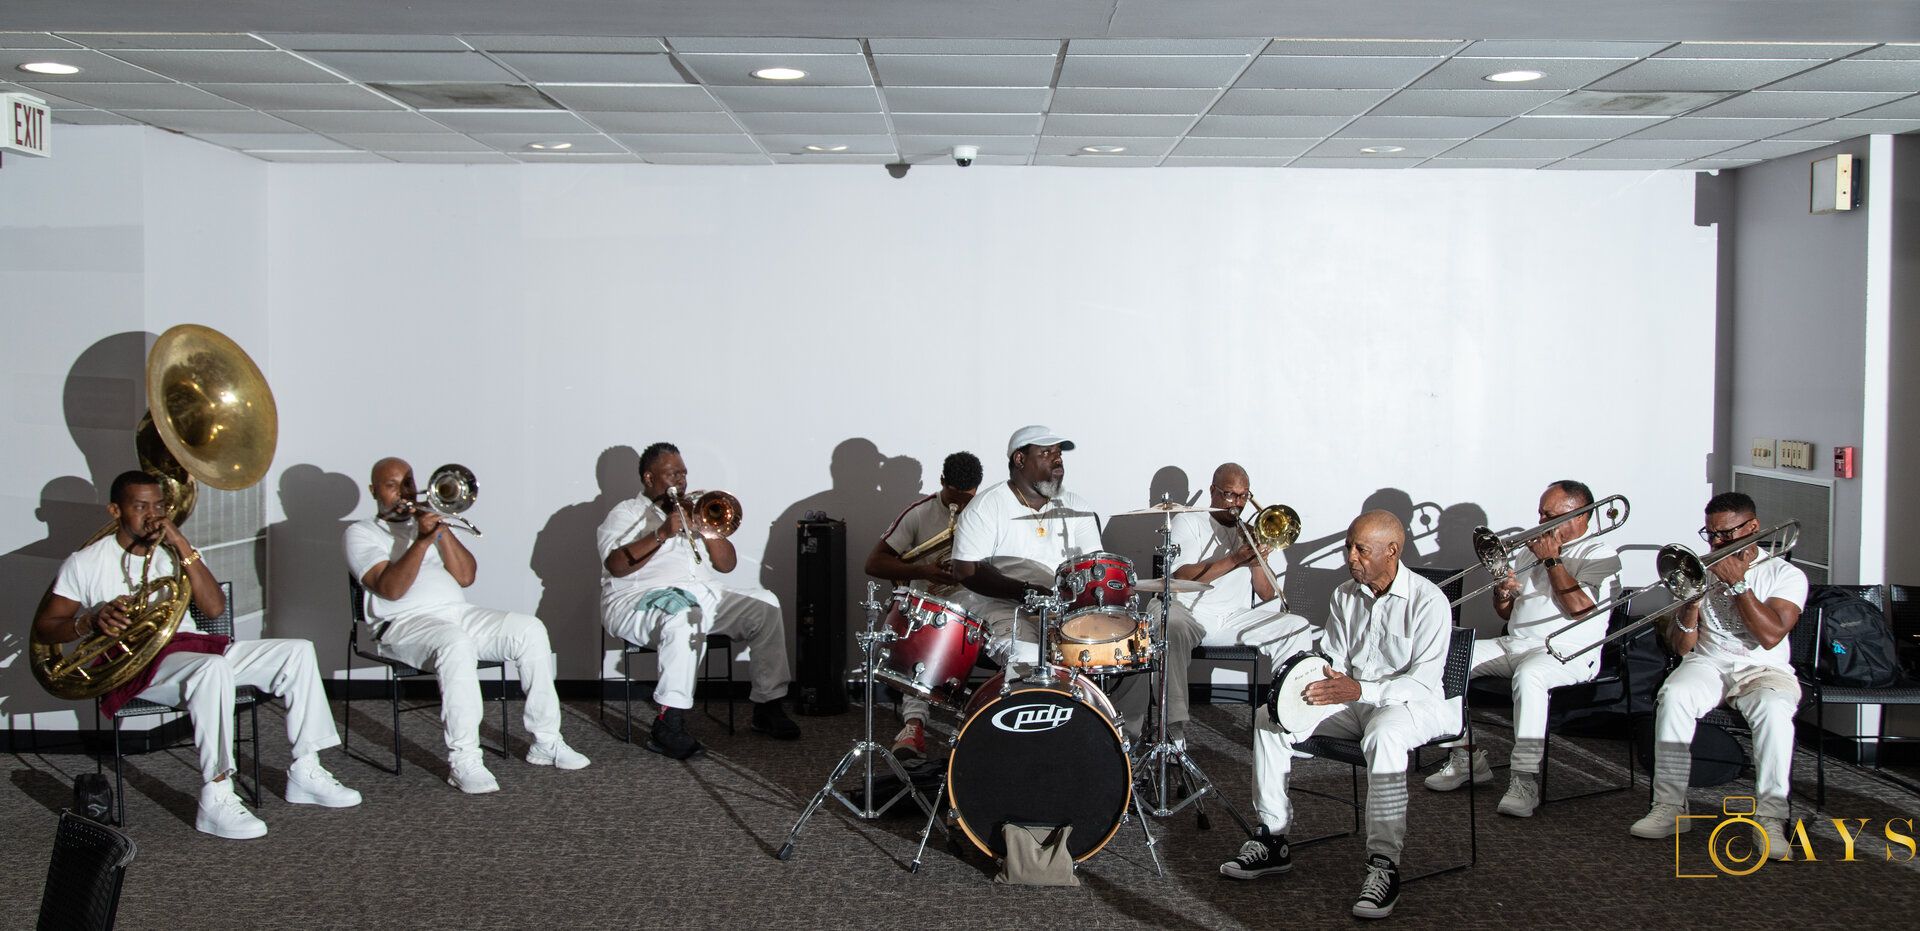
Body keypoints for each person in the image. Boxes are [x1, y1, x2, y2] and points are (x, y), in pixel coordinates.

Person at [35, 470, 361, 839]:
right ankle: (217, 795)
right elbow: (48, 625)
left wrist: (181, 543)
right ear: (115, 510)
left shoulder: (174, 552)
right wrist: (90, 621)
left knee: (297, 651)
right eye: (140, 506)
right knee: (213, 669)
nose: (152, 514)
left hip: (193, 649)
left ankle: (306, 769)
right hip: (138, 664)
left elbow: (214, 607)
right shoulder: (86, 562)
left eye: (158, 505)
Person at [1219, 510, 1454, 921]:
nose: (1351, 557)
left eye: (1361, 549)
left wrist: (1358, 689)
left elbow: (1421, 683)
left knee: (1384, 736)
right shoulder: (1346, 593)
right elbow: (1336, 660)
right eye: (1349, 546)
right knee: (1268, 717)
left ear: (1392, 551)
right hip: (1355, 698)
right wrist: (1305, 684)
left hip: (1415, 706)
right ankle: (1274, 839)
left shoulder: (1429, 601)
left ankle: (1384, 864)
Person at [346, 457, 588, 794]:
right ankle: (464, 760)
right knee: (455, 643)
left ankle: (546, 741)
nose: (403, 492)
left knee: (529, 629)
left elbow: (465, 576)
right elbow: (391, 589)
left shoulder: (425, 525)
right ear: (373, 490)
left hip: (456, 614)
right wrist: (421, 542)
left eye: (408, 483)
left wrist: (439, 531)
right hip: (401, 625)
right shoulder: (360, 533)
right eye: (391, 485)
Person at [1424, 480, 1621, 817]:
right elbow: (1507, 613)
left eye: (1550, 514)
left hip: (1569, 652)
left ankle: (1524, 778)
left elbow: (1581, 610)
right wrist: (1503, 592)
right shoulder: (1532, 549)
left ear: (1580, 516)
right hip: (1515, 643)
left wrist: (1552, 561)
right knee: (1444, 659)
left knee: (1531, 676)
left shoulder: (1600, 554)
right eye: (1540, 512)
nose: (1540, 521)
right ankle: (1466, 754)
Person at [1630, 491, 1806, 858]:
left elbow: (1771, 636)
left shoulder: (1785, 575)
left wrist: (1739, 585)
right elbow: (1681, 647)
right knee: (1674, 695)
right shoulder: (1699, 571)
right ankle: (1670, 806)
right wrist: (1691, 604)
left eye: (1726, 534)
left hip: (1763, 669)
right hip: (1708, 664)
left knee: (1775, 712)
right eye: (1711, 535)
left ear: (1753, 528)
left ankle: (1771, 818)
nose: (1716, 543)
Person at [599, 442, 800, 759]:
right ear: (649, 478)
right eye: (671, 474)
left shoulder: (693, 510)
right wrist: (663, 532)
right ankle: (669, 721)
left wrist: (709, 530)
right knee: (685, 614)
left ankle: (767, 705)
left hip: (700, 593)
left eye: (683, 473)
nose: (680, 480)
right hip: (638, 599)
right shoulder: (625, 513)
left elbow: (726, 566)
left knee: (765, 604)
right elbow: (616, 566)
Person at [1114, 463, 1308, 744]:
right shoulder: (1189, 522)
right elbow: (1179, 576)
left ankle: (1290, 724)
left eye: (1243, 496)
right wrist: (1234, 559)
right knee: (1170, 623)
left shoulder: (1252, 531)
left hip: (1232, 618)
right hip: (1191, 612)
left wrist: (1257, 561)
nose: (1237, 503)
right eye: (1229, 494)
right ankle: (1173, 729)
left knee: (1296, 627)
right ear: (1213, 492)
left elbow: (1266, 595)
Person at [862, 451, 983, 760]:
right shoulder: (919, 513)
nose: (960, 506)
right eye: (953, 497)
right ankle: (913, 725)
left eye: (967, 499)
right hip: (931, 602)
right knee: (925, 634)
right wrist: (923, 571)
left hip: (976, 601)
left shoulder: (987, 513)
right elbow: (874, 563)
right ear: (941, 482)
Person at [950, 426, 1102, 666]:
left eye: (1059, 452)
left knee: (1122, 648)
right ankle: (1033, 703)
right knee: (1029, 656)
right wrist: (1026, 592)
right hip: (1004, 608)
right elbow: (964, 570)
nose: (1058, 459)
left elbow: (1096, 565)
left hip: (1063, 610)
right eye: (1046, 452)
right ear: (1020, 459)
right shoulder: (987, 506)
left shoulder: (1076, 506)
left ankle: (1109, 705)